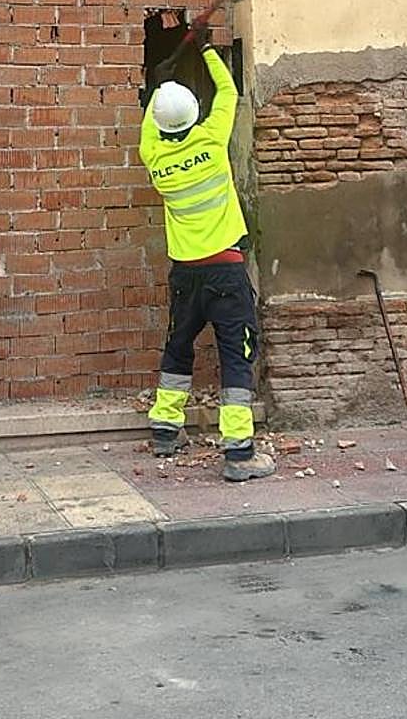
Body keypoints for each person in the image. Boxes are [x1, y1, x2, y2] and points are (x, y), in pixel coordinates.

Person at [139, 28, 275, 483]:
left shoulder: (155, 160)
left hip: (186, 277)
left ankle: (164, 430)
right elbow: (229, 92)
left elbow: (150, 131)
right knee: (236, 356)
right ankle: (239, 454)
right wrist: (206, 50)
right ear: (194, 116)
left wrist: (157, 86)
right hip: (226, 271)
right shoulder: (213, 144)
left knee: (178, 349)